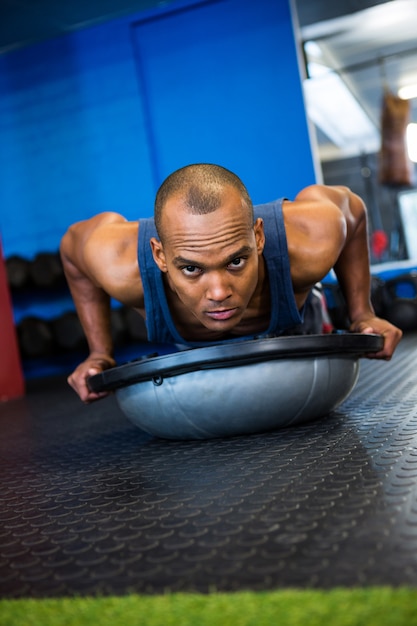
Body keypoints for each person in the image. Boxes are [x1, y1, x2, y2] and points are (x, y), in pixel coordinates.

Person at [60, 163, 402, 403]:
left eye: (235, 261)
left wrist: (362, 314)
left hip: (294, 325)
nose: (220, 292)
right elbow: (72, 249)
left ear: (258, 237)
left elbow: (352, 209)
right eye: (192, 269)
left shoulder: (310, 240)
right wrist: (100, 352)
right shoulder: (120, 265)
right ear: (160, 257)